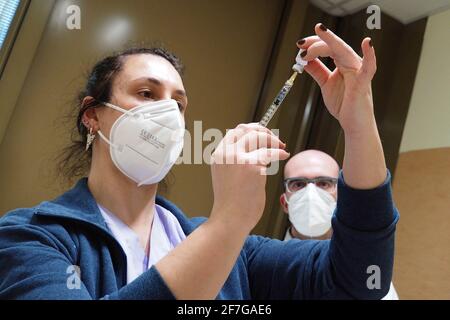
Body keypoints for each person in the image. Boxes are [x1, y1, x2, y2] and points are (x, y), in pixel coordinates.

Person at [0, 24, 398, 299]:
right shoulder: (30, 237)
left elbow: (360, 279)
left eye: (179, 103)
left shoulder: (236, 254)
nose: (168, 114)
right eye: (146, 93)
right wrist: (226, 223)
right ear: (93, 115)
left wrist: (358, 123)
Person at [280, 149, 399, 299]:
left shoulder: (369, 272)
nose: (311, 194)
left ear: (342, 199)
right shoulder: (260, 262)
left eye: (323, 183)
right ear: (285, 203)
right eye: (298, 184)